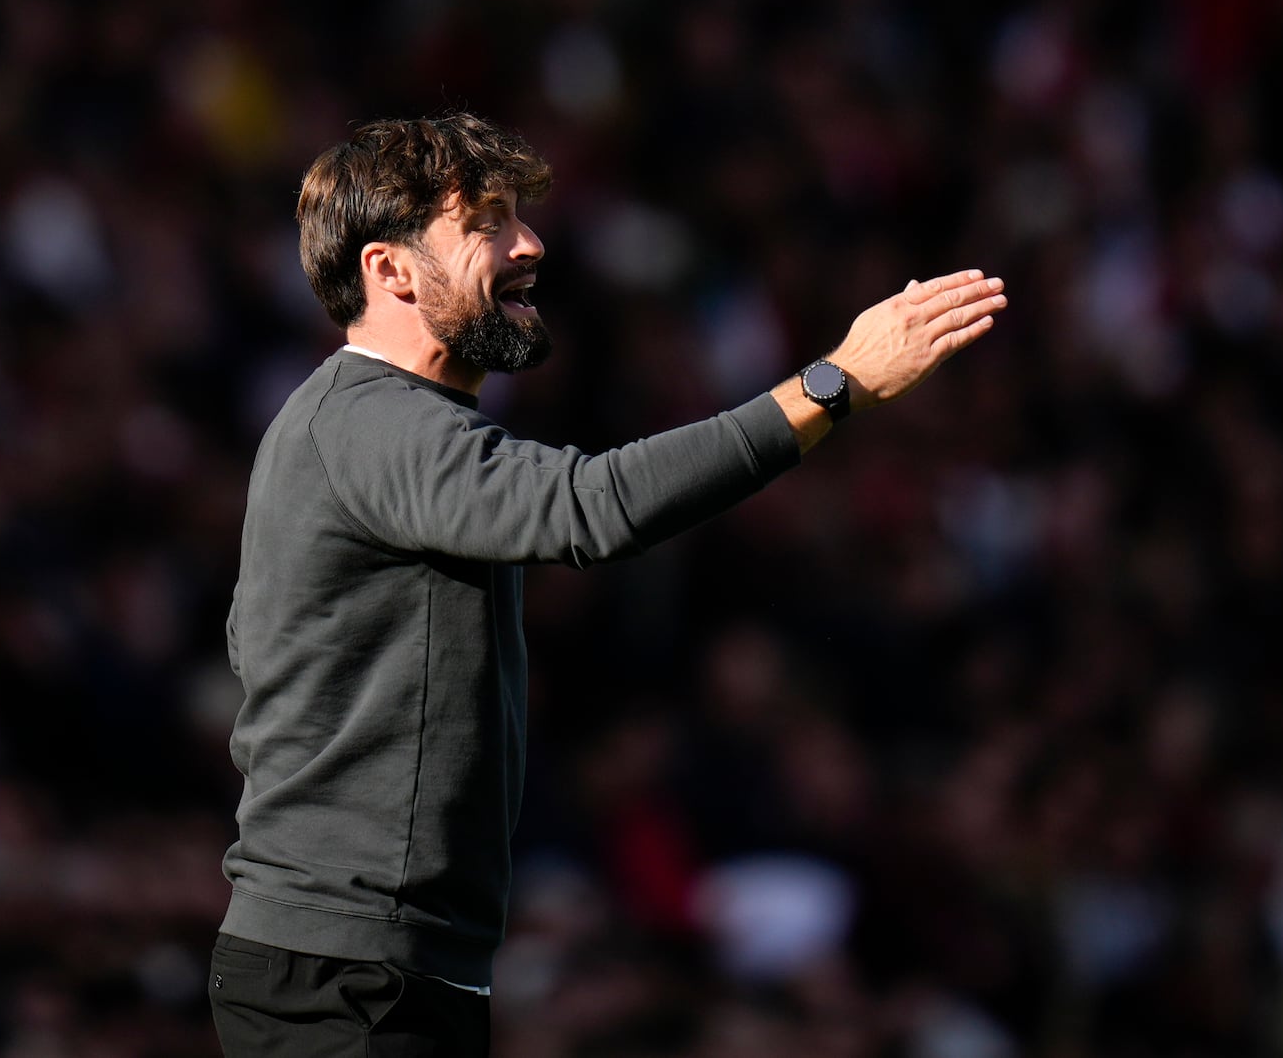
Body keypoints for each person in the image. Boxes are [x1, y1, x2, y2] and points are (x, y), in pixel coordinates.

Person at [209, 111, 1007, 1057]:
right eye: (488, 222)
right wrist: (832, 384)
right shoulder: (367, 421)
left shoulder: (380, 429)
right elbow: (594, 506)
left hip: (389, 966)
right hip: (340, 976)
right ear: (390, 269)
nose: (529, 244)